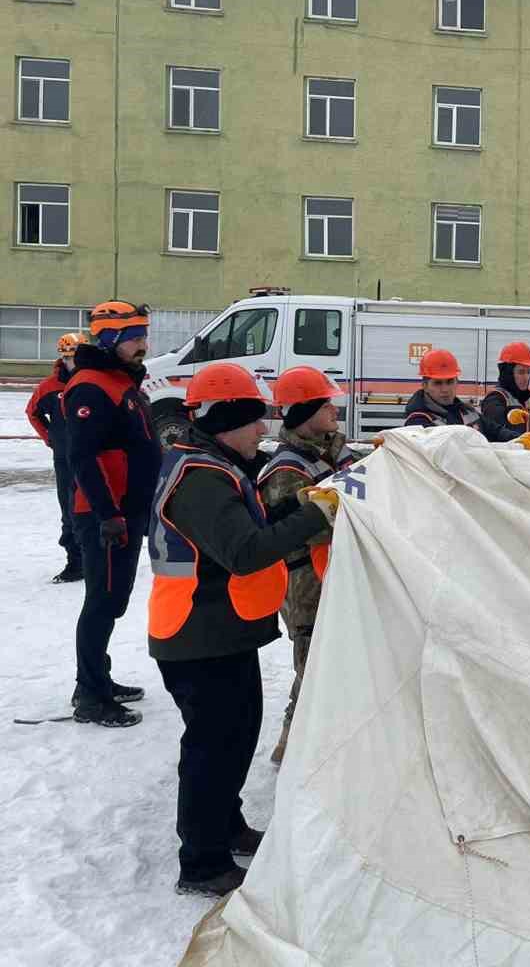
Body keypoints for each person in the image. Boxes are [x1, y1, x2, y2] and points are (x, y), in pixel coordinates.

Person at [147, 362, 337, 897]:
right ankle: (203, 861)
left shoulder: (215, 465)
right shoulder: (200, 478)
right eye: (255, 419)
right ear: (227, 419)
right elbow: (245, 551)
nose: (264, 430)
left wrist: (306, 506)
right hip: (196, 634)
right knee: (213, 746)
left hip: (221, 629)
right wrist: (316, 513)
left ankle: (224, 826)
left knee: (233, 739)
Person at [258, 366, 363, 766]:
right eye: (326, 404)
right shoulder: (287, 470)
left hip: (327, 573)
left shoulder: (324, 451)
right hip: (305, 583)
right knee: (313, 665)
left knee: (328, 659)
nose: (335, 410)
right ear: (305, 411)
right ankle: (292, 744)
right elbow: (309, 528)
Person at [64, 301, 162, 728]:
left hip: (128, 509)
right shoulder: (90, 386)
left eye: (143, 335)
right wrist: (108, 514)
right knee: (102, 602)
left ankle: (97, 676)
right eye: (135, 337)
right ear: (110, 339)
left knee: (113, 599)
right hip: (106, 515)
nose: (144, 344)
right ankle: (90, 695)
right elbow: (81, 457)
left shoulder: (118, 380)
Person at [27, 332, 86, 583]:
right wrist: (50, 438)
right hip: (65, 459)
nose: (71, 362)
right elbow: (32, 413)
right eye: (68, 357)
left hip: (96, 457)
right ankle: (75, 562)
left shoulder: (93, 383)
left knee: (99, 507)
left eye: (76, 357)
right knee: (70, 510)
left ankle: (101, 558)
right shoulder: (49, 387)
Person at [402, 348, 480, 428]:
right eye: (438, 383)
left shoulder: (468, 411)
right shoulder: (418, 422)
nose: (445, 389)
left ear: (457, 382)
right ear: (425, 386)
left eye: (450, 382)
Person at [479, 342, 530, 443]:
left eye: (529, 372)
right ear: (508, 374)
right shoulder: (495, 399)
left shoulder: (521, 399)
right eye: (521, 372)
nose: (526, 377)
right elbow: (496, 437)